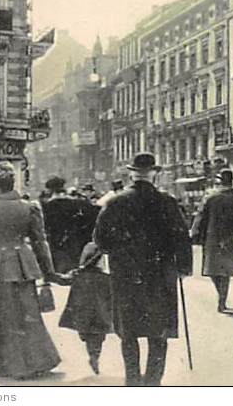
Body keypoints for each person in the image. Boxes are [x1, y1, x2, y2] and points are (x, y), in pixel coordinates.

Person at [93, 152, 192, 386]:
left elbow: (100, 239)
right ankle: (153, 383)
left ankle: (133, 382)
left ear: (131, 174)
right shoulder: (167, 201)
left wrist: (119, 251)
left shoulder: (115, 202)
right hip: (161, 275)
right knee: (158, 332)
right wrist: (184, 268)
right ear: (154, 174)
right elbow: (182, 237)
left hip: (126, 275)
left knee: (129, 333)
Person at [0, 161, 63, 379]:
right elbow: (41, 242)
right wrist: (49, 271)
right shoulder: (30, 207)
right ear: (11, 183)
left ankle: (3, 366)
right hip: (23, 266)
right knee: (27, 315)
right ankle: (37, 361)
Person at [191, 169, 233, 313]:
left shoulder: (210, 199)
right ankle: (222, 299)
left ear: (219, 182)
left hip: (211, 240)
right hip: (230, 240)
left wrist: (195, 235)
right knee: (225, 272)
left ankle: (221, 296)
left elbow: (199, 219)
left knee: (212, 271)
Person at [58, 242, 112, 375]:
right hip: (100, 314)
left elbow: (64, 280)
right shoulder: (106, 278)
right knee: (98, 337)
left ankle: (92, 355)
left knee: (86, 336)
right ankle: (95, 356)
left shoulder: (78, 275)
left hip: (82, 313)